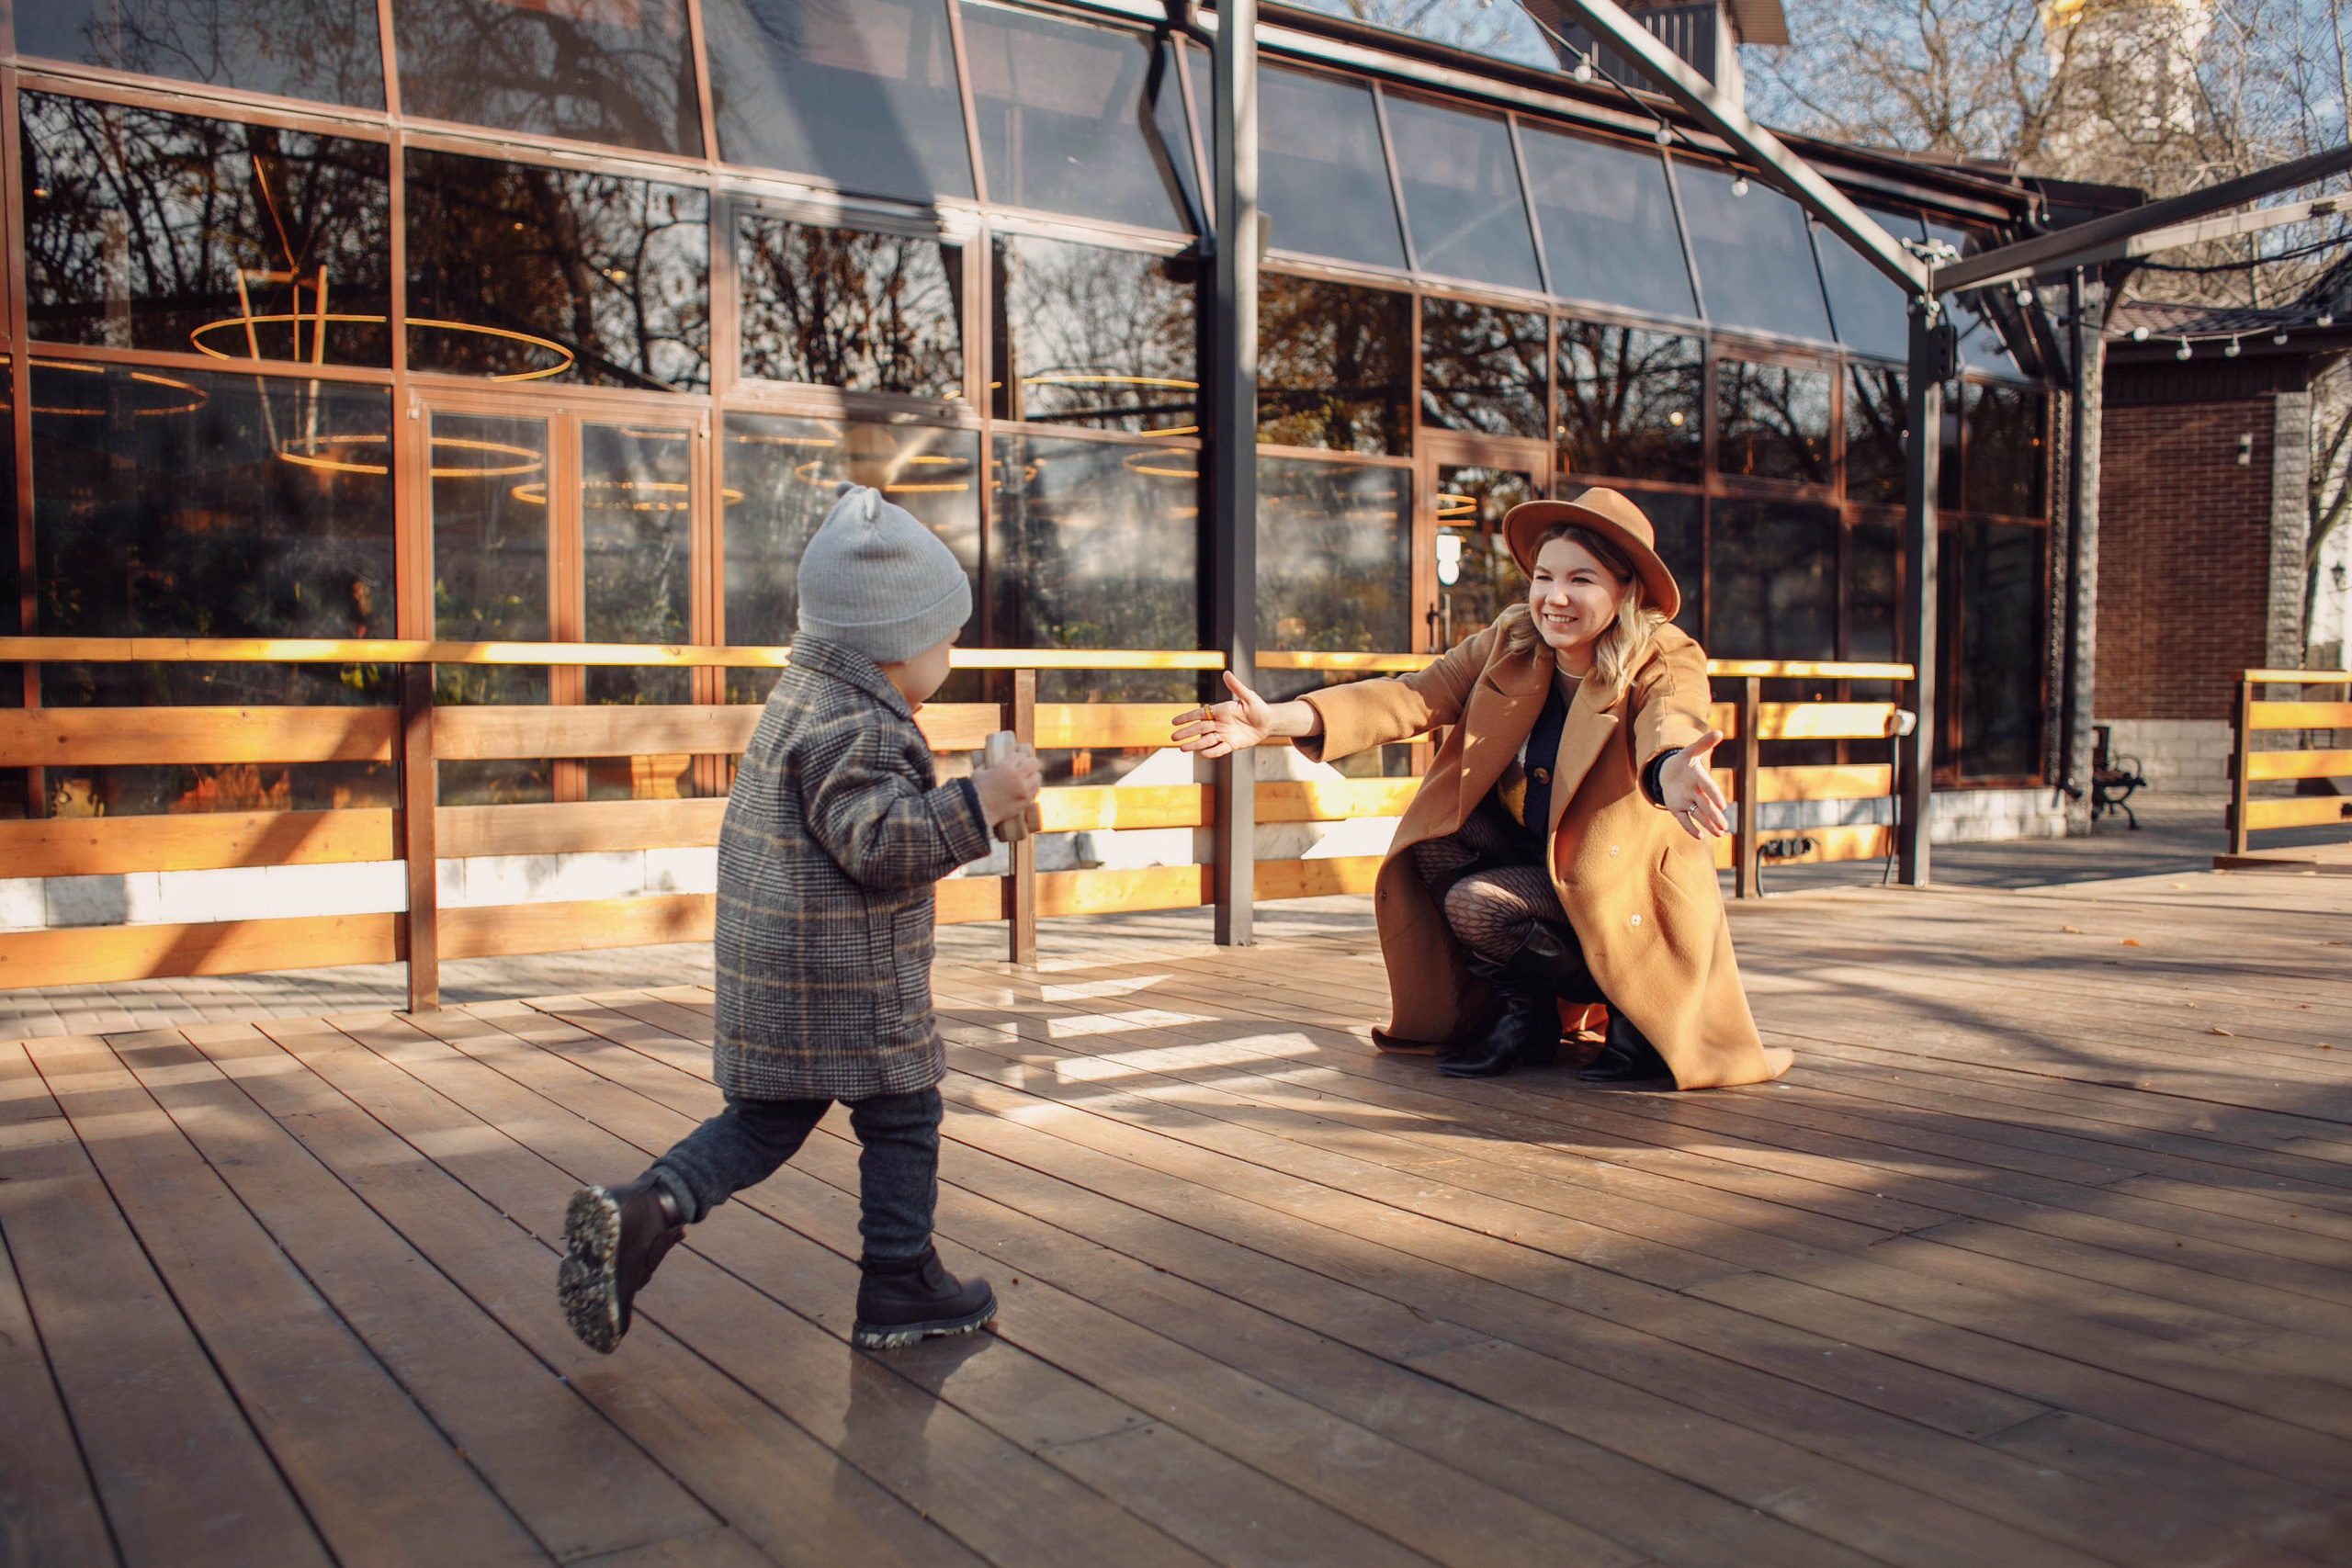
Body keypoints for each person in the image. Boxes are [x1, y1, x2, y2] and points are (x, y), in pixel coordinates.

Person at [559, 482, 1042, 1354]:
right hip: (845, 977)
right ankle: (899, 1280)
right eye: (948, 639)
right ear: (896, 645)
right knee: (904, 1112)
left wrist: (963, 797)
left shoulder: (806, 700)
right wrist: (978, 802)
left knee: (765, 1119)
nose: (952, 656)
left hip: (784, 974)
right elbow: (882, 843)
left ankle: (647, 1209)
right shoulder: (857, 723)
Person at [1174, 486, 1792, 1089]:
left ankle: (1623, 996)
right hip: (1537, 858)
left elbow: (1671, 716)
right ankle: (1524, 1020)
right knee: (1437, 829)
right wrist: (1274, 721)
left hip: (1614, 880)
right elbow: (1413, 695)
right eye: (1544, 576)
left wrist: (1670, 766)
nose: (1554, 597)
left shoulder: (1663, 653)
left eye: (1581, 579)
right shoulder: (1511, 639)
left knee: (1478, 903)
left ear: (1625, 588)